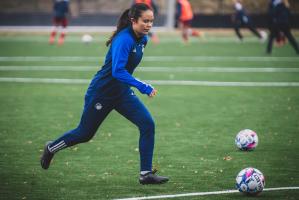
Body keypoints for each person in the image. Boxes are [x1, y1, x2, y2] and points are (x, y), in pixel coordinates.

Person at [40, 3, 169, 185]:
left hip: (122, 93)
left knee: (147, 124)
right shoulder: (124, 39)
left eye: (151, 21)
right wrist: (143, 86)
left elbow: (124, 73)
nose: (149, 25)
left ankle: (145, 174)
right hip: (101, 93)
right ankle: (51, 147)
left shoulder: (143, 39)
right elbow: (117, 71)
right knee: (84, 134)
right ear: (133, 20)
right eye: (145, 21)